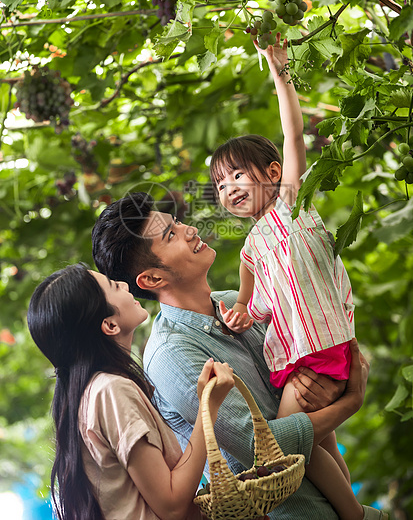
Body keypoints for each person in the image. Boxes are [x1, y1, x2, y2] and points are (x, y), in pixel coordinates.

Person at [91, 191, 380, 520]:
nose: (190, 230)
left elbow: (309, 374)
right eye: (171, 235)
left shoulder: (237, 302)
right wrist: (350, 403)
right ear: (153, 278)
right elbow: (263, 447)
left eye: (178, 223)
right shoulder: (171, 354)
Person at [208, 36, 383, 520]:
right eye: (221, 185)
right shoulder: (253, 246)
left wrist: (280, 71)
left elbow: (292, 134)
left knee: (284, 448)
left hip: (319, 351)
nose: (229, 189)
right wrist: (242, 307)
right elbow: (256, 300)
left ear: (273, 173)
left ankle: (353, 514)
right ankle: (357, 510)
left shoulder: (289, 206)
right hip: (295, 356)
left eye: (238, 176)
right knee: (320, 440)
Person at [27, 263, 235, 520]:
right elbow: (172, 506)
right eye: (114, 286)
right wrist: (208, 407)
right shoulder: (111, 390)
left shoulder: (91, 394)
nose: (125, 285)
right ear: (110, 325)